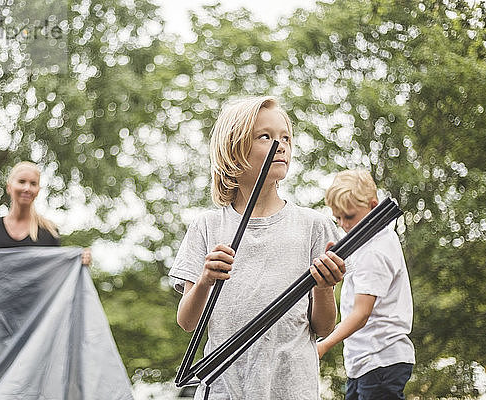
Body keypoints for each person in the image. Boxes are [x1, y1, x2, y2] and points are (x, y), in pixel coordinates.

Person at [169, 96, 346, 399]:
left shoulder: (313, 225)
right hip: (226, 391)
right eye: (266, 137)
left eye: (286, 137)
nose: (281, 145)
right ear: (234, 150)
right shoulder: (208, 226)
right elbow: (187, 322)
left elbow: (324, 326)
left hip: (291, 390)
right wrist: (204, 281)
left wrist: (323, 287)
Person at [317, 169, 415, 400]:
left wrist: (323, 345)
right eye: (337, 218)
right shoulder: (366, 244)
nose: (343, 225)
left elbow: (361, 313)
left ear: (373, 206)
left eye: (349, 217)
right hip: (363, 362)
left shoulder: (376, 249)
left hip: (381, 360)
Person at [0, 161, 91, 265]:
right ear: (9, 187)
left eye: (33, 183)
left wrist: (78, 260)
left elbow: (56, 273)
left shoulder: (49, 232)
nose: (27, 188)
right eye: (21, 182)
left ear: (38, 190)